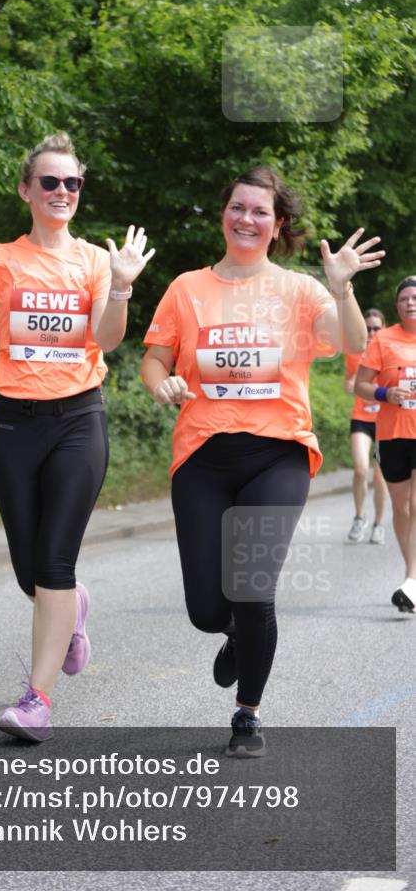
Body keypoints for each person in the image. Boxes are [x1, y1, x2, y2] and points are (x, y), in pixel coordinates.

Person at [141, 167, 383, 757]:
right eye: (239, 208)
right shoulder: (187, 288)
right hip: (201, 455)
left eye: (261, 212)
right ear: (223, 213)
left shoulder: (300, 290)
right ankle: (235, 635)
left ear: (277, 227)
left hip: (278, 453)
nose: (247, 219)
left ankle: (247, 713)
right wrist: (163, 384)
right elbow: (153, 360)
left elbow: (352, 344)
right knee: (205, 609)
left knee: (253, 589)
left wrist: (342, 286)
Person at [0, 132, 154, 741]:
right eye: (49, 182)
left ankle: (36, 701)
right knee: (31, 571)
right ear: (26, 190)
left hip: (78, 419)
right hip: (12, 423)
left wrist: (123, 284)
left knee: (54, 560)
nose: (61, 192)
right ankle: (73, 611)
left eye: (71, 182)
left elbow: (106, 340)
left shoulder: (96, 261)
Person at [355, 276, 416, 613]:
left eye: (415, 297)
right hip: (392, 434)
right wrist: (385, 393)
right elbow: (361, 386)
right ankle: (413, 574)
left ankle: (411, 579)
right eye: (405, 298)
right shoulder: (384, 340)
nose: (411, 302)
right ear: (397, 305)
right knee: (402, 508)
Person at [344, 308, 388, 543]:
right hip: (361, 417)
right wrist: (349, 385)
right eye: (368, 327)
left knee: (380, 477)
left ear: (384, 328)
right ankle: (359, 517)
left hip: (385, 422)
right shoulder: (354, 354)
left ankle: (379, 524)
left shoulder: (392, 353)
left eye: (376, 328)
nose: (371, 332)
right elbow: (348, 380)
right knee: (361, 469)